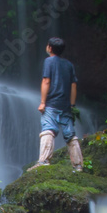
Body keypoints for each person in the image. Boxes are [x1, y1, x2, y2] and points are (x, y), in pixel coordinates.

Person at [31, 37, 83, 171]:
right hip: (65, 105)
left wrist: (42, 102)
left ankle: (44, 161)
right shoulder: (69, 65)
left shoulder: (49, 61)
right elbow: (73, 86)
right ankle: (78, 165)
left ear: (49, 48)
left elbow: (46, 81)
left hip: (52, 104)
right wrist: (72, 105)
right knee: (70, 135)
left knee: (48, 130)